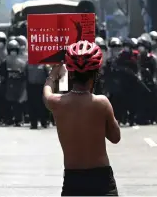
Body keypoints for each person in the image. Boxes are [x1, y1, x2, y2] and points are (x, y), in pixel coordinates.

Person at [43, 40, 120, 196]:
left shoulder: (57, 103)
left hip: (73, 181)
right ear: (96, 73)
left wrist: (53, 74)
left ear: (70, 73)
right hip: (102, 182)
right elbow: (115, 137)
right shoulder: (102, 103)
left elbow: (47, 93)